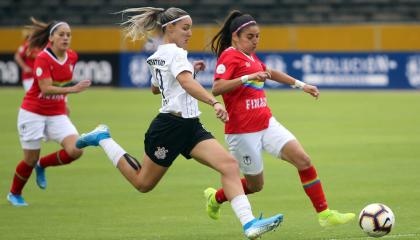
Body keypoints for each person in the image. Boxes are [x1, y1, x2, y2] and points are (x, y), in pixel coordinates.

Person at [76, 7, 282, 239]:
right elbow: (184, 83)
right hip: (169, 128)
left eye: (190, 28)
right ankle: (103, 138)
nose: (190, 33)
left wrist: (190, 70)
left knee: (229, 166)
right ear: (169, 28)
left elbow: (157, 87)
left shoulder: (159, 54)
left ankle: (249, 224)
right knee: (143, 183)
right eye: (185, 28)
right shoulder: (175, 54)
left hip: (191, 126)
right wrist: (213, 102)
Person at [204, 10, 356, 227]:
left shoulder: (250, 56)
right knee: (256, 186)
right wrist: (247, 77)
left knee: (303, 160)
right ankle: (216, 197)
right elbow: (217, 88)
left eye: (257, 36)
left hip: (266, 123)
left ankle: (325, 214)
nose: (255, 41)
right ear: (235, 37)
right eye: (250, 37)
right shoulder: (229, 56)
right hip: (242, 132)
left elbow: (270, 73)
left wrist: (302, 85)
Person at [7, 18, 91, 206]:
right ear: (51, 37)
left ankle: (42, 165)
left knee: (76, 150)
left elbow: (64, 82)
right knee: (29, 159)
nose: (66, 38)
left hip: (57, 112)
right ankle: (14, 193)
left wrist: (66, 101)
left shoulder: (72, 56)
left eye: (68, 35)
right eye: (61, 34)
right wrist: (72, 90)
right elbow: (46, 88)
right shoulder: (42, 58)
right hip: (33, 112)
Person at [14, 18, 45, 92]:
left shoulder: (43, 46)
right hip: (29, 77)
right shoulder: (27, 45)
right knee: (33, 99)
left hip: (42, 77)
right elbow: (17, 56)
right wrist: (25, 67)